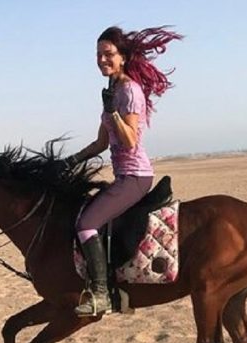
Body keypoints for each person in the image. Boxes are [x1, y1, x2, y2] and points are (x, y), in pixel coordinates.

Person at [66, 26, 182, 316]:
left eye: (108, 54)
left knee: (86, 224)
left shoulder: (129, 90)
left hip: (136, 176)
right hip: (123, 176)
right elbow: (101, 142)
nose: (102, 60)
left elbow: (130, 139)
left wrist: (113, 112)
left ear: (123, 57)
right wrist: (71, 161)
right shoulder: (111, 90)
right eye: (98, 55)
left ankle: (102, 294)